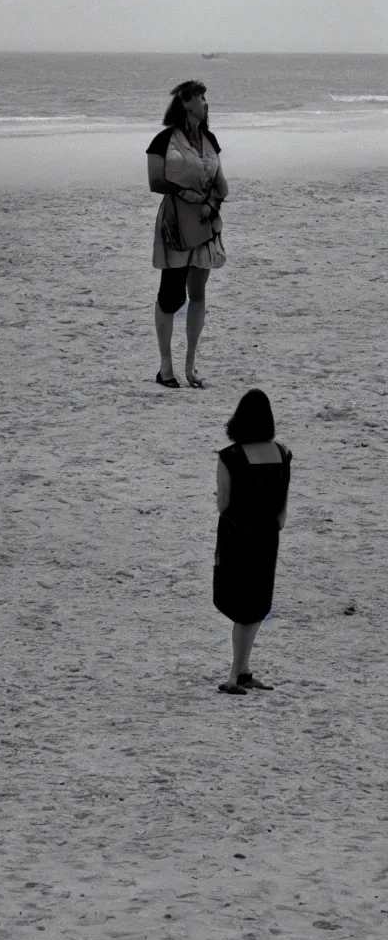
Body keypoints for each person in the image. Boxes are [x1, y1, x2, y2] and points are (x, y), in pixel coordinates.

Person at [146, 80, 229, 389]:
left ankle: (190, 365)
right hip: (175, 222)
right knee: (171, 294)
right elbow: (155, 181)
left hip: (206, 223)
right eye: (200, 97)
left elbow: (221, 182)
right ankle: (165, 367)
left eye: (205, 96)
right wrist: (185, 191)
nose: (206, 102)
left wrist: (213, 203)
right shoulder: (163, 140)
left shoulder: (209, 139)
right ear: (186, 102)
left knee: (198, 293)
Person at [213, 390, 292, 694]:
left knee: (242, 609)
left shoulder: (230, 458)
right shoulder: (283, 454)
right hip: (267, 538)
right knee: (256, 607)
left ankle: (235, 675)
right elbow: (282, 508)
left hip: (236, 538)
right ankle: (243, 670)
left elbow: (223, 505)